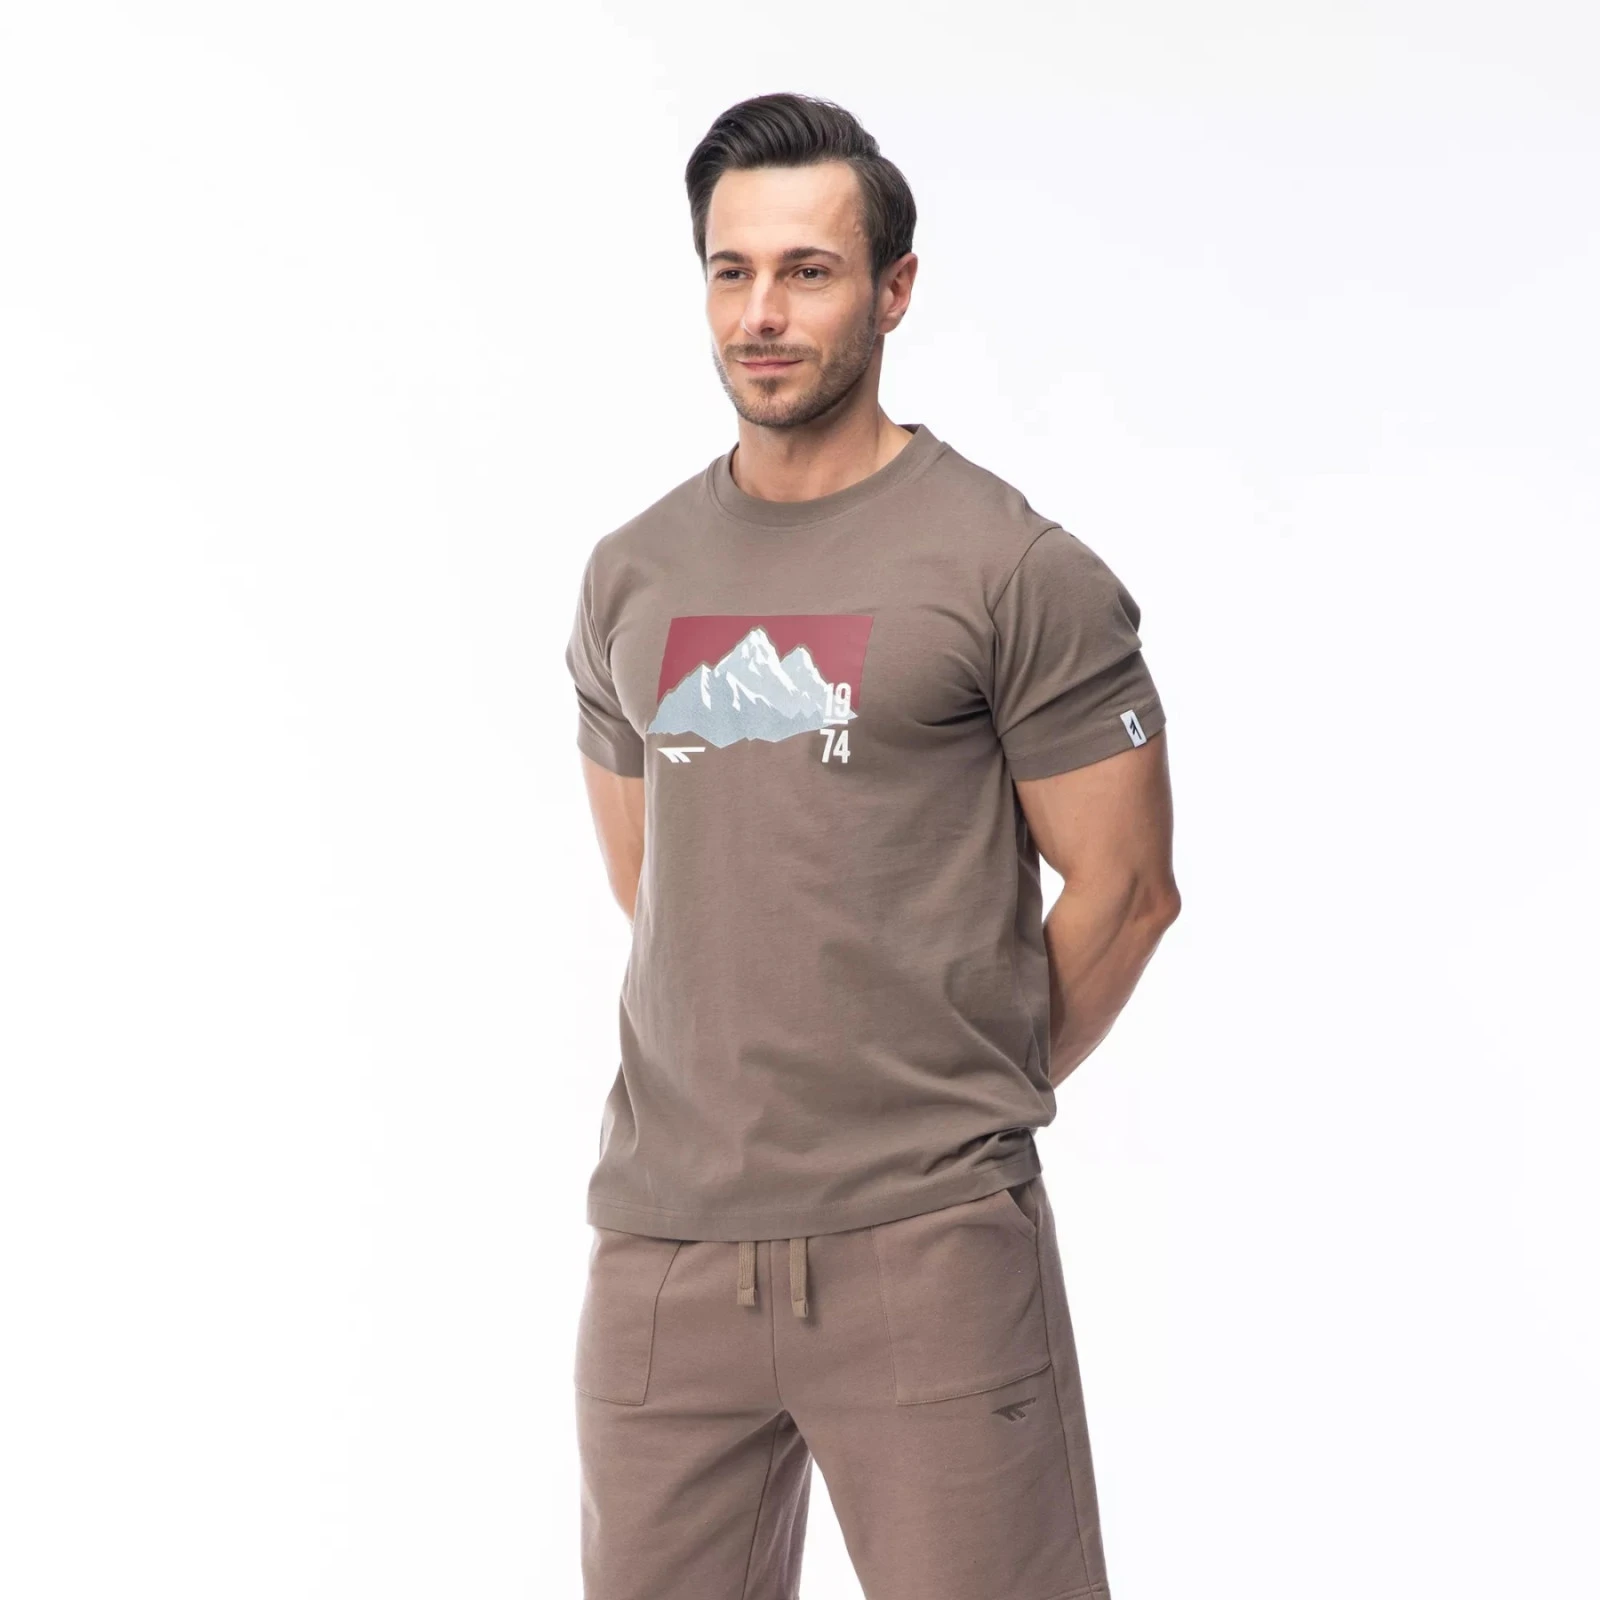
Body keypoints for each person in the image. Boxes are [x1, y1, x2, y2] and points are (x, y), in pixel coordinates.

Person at [563, 90, 1180, 1600]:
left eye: (808, 271)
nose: (761, 315)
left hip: (928, 1249)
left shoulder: (1012, 569)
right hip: (663, 1257)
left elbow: (1126, 892)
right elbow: (660, 884)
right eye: (731, 271)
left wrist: (952, 1100)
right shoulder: (632, 575)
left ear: (894, 290)